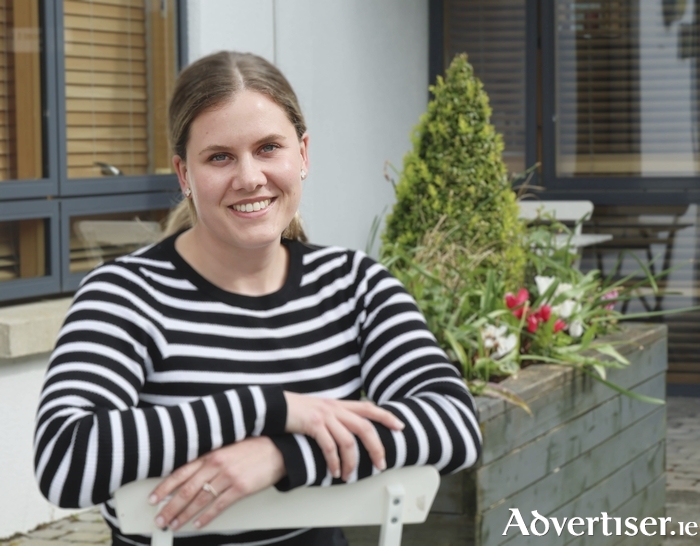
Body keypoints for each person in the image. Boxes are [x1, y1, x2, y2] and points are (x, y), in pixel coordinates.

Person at [33, 51, 482, 545]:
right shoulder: (125, 295)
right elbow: (65, 460)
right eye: (219, 156)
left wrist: (280, 456)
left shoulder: (354, 287)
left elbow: (455, 424)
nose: (249, 177)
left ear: (303, 154)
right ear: (184, 176)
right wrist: (269, 409)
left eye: (268, 148)